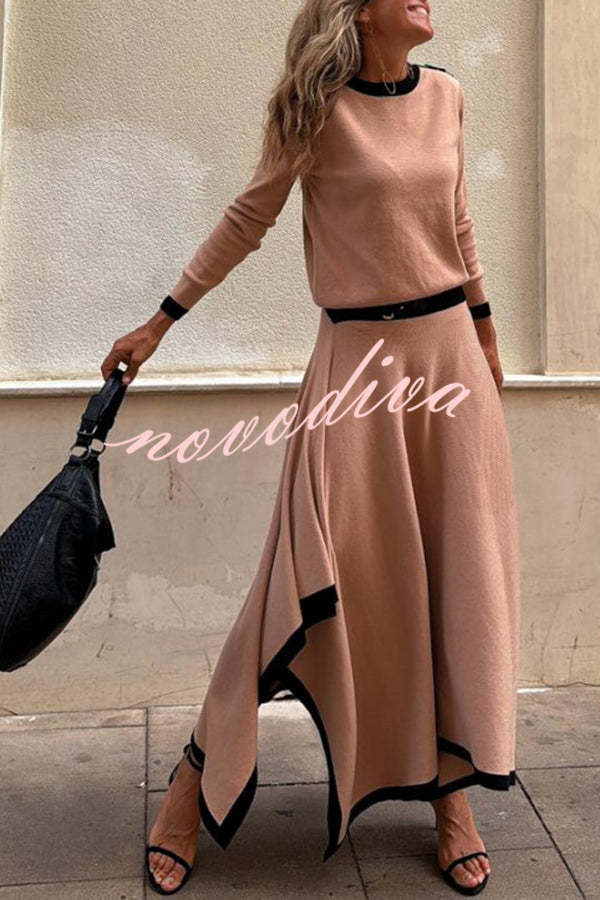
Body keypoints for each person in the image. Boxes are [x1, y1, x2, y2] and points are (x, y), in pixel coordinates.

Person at [101, 0, 520, 895]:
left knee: (453, 577)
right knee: (295, 585)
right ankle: (194, 782)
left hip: (448, 364)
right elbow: (247, 218)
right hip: (356, 372)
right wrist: (159, 323)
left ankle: (453, 802)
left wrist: (486, 334)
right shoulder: (312, 110)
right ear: (358, 10)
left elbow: (458, 221)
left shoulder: (446, 96)